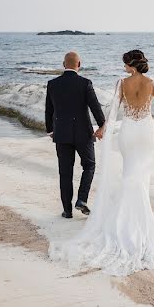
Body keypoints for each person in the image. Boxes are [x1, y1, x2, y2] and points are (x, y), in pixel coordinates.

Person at [50, 49, 154, 276]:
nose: (123, 66)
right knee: (141, 175)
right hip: (147, 134)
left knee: (130, 174)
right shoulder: (152, 82)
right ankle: (139, 217)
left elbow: (113, 112)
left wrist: (103, 129)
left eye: (125, 63)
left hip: (128, 133)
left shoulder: (121, 83)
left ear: (131, 65)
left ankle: (123, 220)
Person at [44, 51, 106, 219]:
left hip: (61, 133)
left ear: (64, 64)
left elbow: (49, 110)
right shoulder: (85, 83)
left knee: (65, 172)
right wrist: (102, 125)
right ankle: (81, 199)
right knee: (90, 165)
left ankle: (67, 211)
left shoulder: (52, 84)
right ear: (79, 64)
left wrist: (50, 130)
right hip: (83, 133)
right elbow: (95, 107)